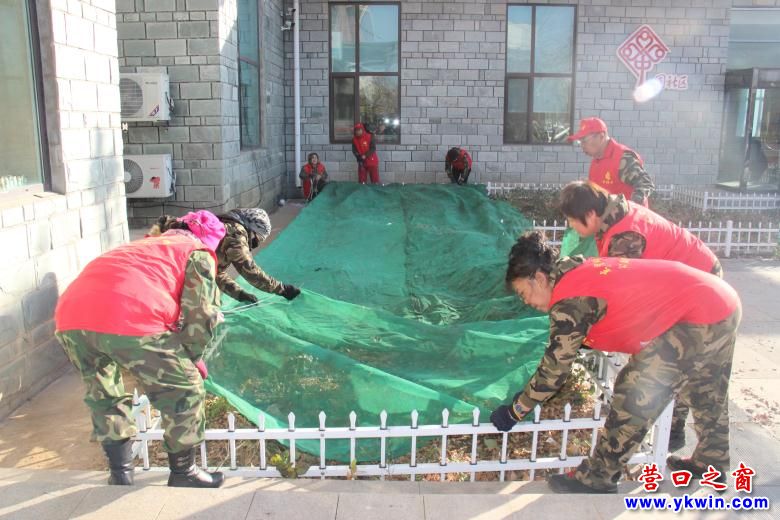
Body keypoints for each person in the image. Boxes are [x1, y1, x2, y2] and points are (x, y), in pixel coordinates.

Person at [490, 231, 741, 494]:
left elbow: (554, 371)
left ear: (539, 278)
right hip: (721, 299)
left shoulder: (569, 299)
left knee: (634, 391)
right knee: (706, 387)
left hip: (694, 315)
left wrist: (516, 410)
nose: (526, 302)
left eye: (523, 293)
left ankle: (598, 477)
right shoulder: (575, 269)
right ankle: (711, 460)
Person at [55, 210, 227, 488]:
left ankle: (120, 474)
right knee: (185, 389)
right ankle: (184, 473)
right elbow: (202, 314)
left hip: (71, 318)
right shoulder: (197, 252)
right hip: (130, 318)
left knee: (104, 394)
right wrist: (192, 357)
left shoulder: (142, 245)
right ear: (208, 241)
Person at [559, 180, 723, 451]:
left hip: (700, 285)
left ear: (590, 214)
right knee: (680, 361)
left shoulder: (625, 237)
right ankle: (674, 430)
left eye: (573, 221)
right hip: (684, 282)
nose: (572, 227)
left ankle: (681, 435)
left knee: (684, 363)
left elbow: (626, 294)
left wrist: (589, 332)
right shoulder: (613, 216)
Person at [150, 208, 301, 305]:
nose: (252, 246)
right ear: (252, 230)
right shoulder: (236, 233)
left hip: (162, 258)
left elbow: (215, 271)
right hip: (174, 265)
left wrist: (239, 294)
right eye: (255, 241)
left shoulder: (222, 226)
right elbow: (250, 271)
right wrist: (282, 289)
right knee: (207, 307)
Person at [567, 117, 654, 205]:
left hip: (629, 213)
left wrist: (630, 206)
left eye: (584, 141)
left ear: (601, 136)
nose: (582, 146)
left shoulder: (622, 158)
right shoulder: (596, 159)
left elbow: (645, 183)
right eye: (580, 142)